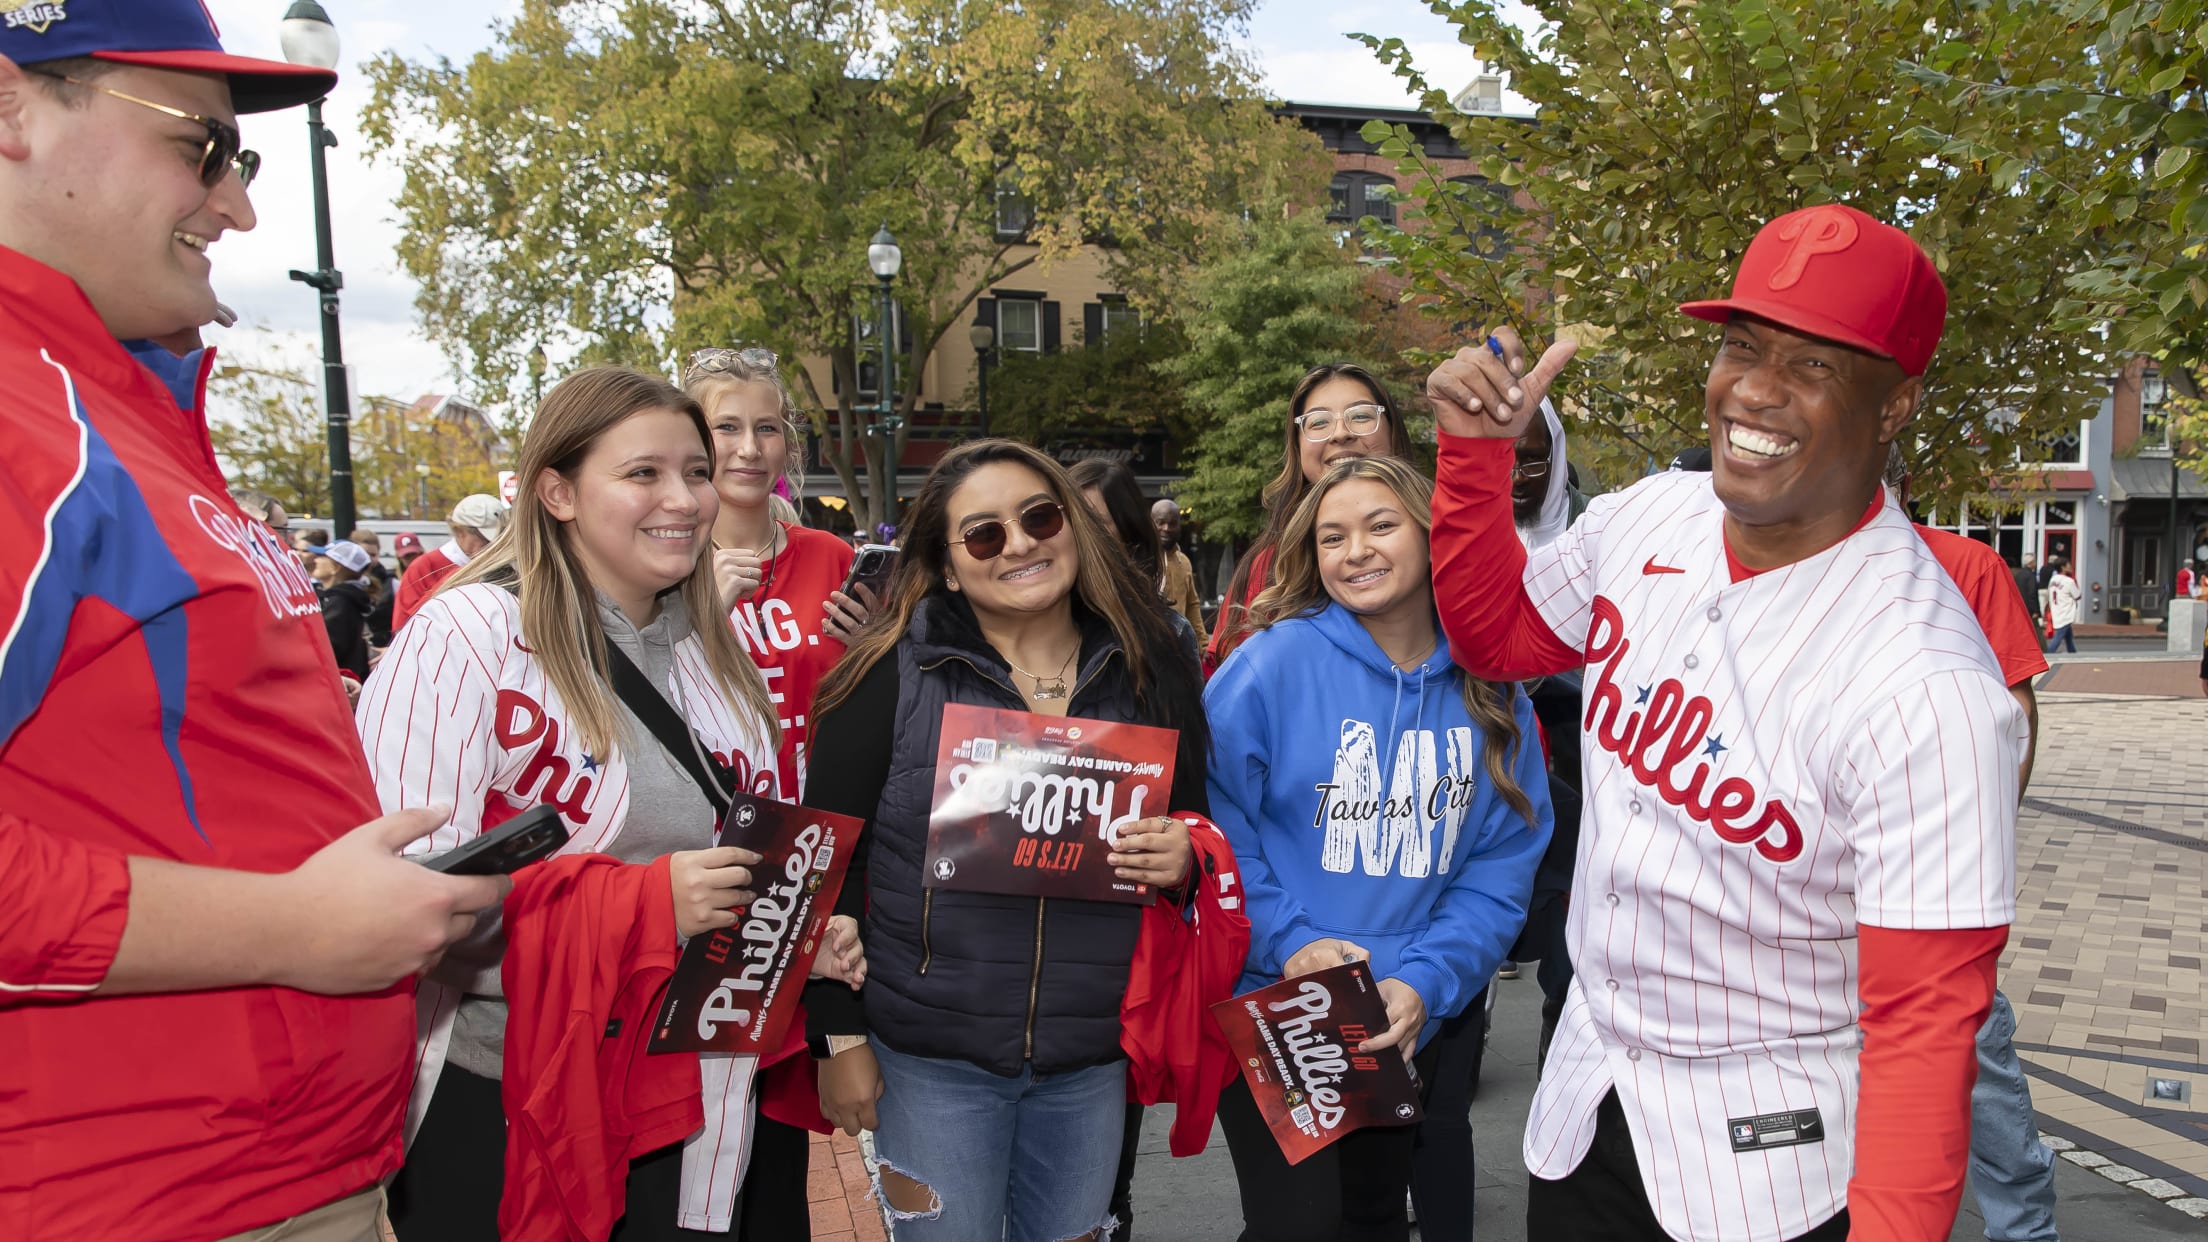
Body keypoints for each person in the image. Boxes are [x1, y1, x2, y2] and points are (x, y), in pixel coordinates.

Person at [0, 12, 508, 1241]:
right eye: (205, 148)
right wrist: (295, 926)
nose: (236, 208)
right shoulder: (28, 419)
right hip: (137, 1185)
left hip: (267, 1164)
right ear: (11, 111)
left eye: (249, 162)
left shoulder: (109, 405)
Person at [1427, 202, 2025, 1242]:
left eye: (1816, 364)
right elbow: (1502, 640)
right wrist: (1475, 460)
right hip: (1587, 1101)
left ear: (1895, 407)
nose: (1753, 388)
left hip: (1773, 1169)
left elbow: (1925, 1032)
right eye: (1743, 345)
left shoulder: (1932, 689)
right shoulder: (1656, 513)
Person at [360, 366, 856, 1239]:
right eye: (643, 474)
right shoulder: (466, 636)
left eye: (695, 473)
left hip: (688, 1105)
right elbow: (396, 909)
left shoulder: (721, 660)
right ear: (557, 491)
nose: (686, 498)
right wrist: (645, 904)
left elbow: (740, 869)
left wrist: (799, 931)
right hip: (507, 1102)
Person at [803, 439, 1210, 1242]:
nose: (1020, 543)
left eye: (1039, 516)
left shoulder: (1150, 669)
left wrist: (1184, 857)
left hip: (1091, 1056)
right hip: (929, 1059)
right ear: (949, 567)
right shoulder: (885, 675)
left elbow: (1198, 827)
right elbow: (823, 866)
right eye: (984, 534)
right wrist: (836, 1035)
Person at [1205, 454, 1551, 1242]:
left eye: (1380, 525)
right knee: (1300, 1228)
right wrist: (1289, 943)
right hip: (1274, 1004)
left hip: (1402, 1013)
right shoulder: (1269, 665)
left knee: (1371, 1222)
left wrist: (1429, 980)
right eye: (1332, 537)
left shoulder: (1491, 687)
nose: (1354, 550)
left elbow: (1501, 868)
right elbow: (1218, 830)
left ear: (1434, 536)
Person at [1888, 452, 2062, 1242]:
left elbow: (2015, 715)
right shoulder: (1784, 562)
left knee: (1978, 1068)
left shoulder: (1964, 566)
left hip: (1933, 883)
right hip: (1815, 888)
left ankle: (2023, 1230)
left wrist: (1978, 847)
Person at [686, 345, 867, 795]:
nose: (749, 448)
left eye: (765, 428)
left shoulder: (832, 556)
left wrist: (872, 650)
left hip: (824, 821)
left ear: (786, 443)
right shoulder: (666, 562)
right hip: (710, 828)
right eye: (727, 427)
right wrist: (703, 614)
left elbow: (876, 700)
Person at [1205, 363, 1413, 672]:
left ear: (1392, 430)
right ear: (1298, 445)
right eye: (1318, 422)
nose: (1341, 433)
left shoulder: (1444, 541)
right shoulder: (1268, 568)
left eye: (1360, 416)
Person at [1071, 458, 1198, 664]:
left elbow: (1193, 605)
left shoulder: (1169, 635)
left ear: (1128, 532)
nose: (1079, 533)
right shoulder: (1027, 628)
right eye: (1070, 519)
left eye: (1095, 522)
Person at [394, 492, 507, 630]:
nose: (493, 545)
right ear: (460, 531)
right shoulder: (424, 567)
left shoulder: (506, 567)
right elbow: (404, 625)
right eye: (485, 539)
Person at [312, 538, 376, 683]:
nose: (315, 560)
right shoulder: (345, 598)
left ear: (336, 567)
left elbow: (326, 649)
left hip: (342, 684)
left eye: (322, 557)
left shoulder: (340, 603)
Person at [1151, 497, 1209, 645]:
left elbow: (1192, 605)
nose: (1166, 528)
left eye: (1172, 524)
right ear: (1151, 523)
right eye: (1161, 522)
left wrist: (1203, 643)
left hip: (1180, 647)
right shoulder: (1138, 560)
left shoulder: (1184, 562)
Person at [350, 526, 397, 645]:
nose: (368, 560)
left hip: (383, 648)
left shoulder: (392, 584)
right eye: (364, 554)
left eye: (373, 555)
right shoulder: (342, 583)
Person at [2044, 556, 2081, 654]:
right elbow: (2077, 595)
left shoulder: (2053, 579)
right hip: (2066, 610)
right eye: (2068, 565)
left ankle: (2072, 651)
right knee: (2059, 635)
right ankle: (2049, 653)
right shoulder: (2069, 581)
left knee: (2068, 635)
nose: (2070, 567)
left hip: (2056, 609)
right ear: (2063, 567)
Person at [2014, 555, 2041, 629]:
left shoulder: (2018, 574)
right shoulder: (2030, 575)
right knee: (2033, 629)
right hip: (2029, 607)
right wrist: (2036, 610)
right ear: (2030, 563)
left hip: (2019, 605)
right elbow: (2032, 593)